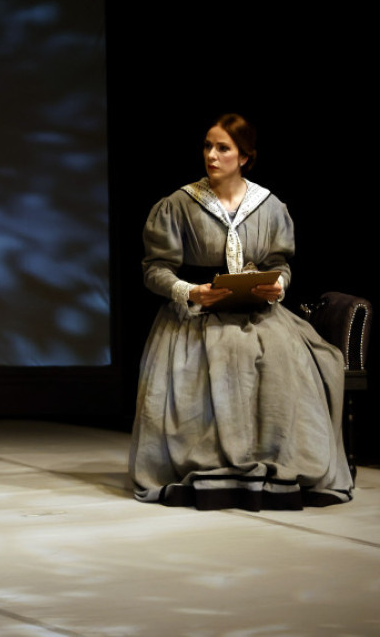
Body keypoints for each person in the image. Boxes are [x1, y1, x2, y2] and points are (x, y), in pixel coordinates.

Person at [129, 114, 353, 510]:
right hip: (197, 313)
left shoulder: (270, 206)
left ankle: (277, 460)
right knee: (216, 358)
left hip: (258, 313)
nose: (211, 155)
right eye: (207, 146)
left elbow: (280, 263)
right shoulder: (178, 205)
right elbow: (154, 270)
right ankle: (211, 467)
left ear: (245, 157)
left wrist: (277, 285)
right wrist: (189, 291)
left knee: (287, 360)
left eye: (223, 148)